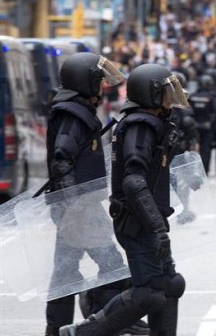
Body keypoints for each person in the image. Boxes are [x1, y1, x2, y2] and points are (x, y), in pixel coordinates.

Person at [59, 64, 189, 335]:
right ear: (151, 94)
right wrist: (156, 227)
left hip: (149, 219)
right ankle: (82, 332)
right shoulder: (140, 126)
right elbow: (133, 181)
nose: (170, 97)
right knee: (148, 293)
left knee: (170, 285)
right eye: (165, 91)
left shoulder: (151, 123)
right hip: (137, 222)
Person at [43, 52, 148, 336]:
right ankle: (104, 321)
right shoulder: (73, 114)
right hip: (79, 207)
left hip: (78, 206)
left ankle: (59, 328)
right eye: (97, 80)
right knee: (112, 265)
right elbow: (62, 158)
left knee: (65, 271)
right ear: (84, 82)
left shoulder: (76, 110)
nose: (102, 85)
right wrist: (73, 206)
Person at [170, 71, 200, 225]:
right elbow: (190, 126)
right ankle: (182, 211)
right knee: (182, 184)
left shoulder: (160, 102)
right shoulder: (183, 105)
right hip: (178, 151)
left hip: (169, 151)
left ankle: (181, 211)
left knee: (176, 183)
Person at [189, 74, 216, 174]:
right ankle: (205, 171)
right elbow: (214, 113)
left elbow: (189, 112)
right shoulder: (211, 97)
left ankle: (191, 171)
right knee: (206, 150)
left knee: (192, 149)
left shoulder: (192, 96)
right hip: (207, 127)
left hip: (193, 127)